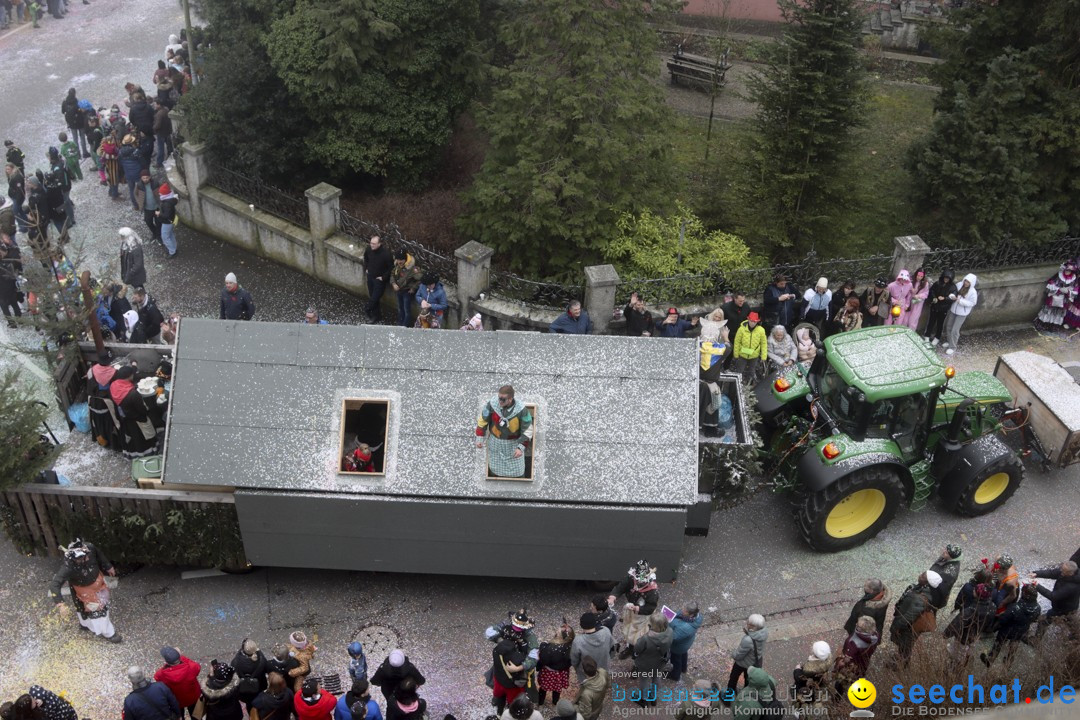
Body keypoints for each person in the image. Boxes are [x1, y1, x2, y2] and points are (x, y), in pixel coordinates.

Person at [48, 537, 121, 643]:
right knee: (96, 610)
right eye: (82, 559)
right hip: (83, 590)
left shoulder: (90, 547)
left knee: (102, 605)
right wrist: (61, 604)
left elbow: (99, 554)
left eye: (87, 556)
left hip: (98, 583)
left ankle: (86, 624)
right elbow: (54, 585)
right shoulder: (68, 567)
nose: (86, 559)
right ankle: (109, 633)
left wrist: (108, 566)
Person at [475, 384, 533, 478]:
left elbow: (527, 429)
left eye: (503, 399)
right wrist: (480, 437)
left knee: (518, 472)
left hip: (513, 444)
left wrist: (521, 447)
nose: (500, 401)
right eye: (499, 398)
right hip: (495, 444)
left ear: (510, 399)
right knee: (494, 471)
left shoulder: (521, 410)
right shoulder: (492, 404)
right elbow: (483, 420)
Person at [608, 559, 660, 659]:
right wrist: (613, 597)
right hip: (632, 610)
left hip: (643, 615)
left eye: (641, 581)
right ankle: (630, 647)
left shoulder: (653, 591)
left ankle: (636, 653)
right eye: (638, 580)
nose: (638, 583)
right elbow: (621, 587)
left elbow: (651, 607)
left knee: (639, 636)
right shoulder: (632, 578)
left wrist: (638, 608)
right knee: (629, 630)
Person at [981, 584, 1041, 667]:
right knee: (1014, 644)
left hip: (1007, 630)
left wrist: (1000, 618)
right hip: (1022, 630)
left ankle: (991, 659)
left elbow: (1003, 619)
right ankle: (1008, 662)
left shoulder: (1015, 607)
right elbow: (1035, 619)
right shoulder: (1038, 608)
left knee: (999, 643)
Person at [889, 571, 938, 664]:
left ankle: (901, 665)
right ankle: (901, 658)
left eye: (923, 576)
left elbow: (909, 617)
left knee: (906, 646)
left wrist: (897, 626)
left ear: (928, 583)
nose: (920, 575)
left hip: (908, 628)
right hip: (907, 625)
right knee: (904, 646)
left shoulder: (920, 599)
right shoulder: (917, 588)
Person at [943, 582, 995, 663]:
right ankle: (966, 657)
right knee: (970, 647)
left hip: (964, 637)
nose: (973, 590)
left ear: (978, 595)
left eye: (975, 590)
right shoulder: (993, 606)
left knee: (958, 654)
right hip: (976, 633)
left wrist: (946, 634)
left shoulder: (970, 611)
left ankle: (955, 667)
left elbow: (956, 624)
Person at [1030, 559, 1080, 640]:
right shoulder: (1066, 573)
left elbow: (1053, 596)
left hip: (1063, 609)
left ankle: (1036, 639)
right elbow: (1052, 573)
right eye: (1061, 569)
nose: (1061, 571)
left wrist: (1037, 586)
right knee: (1070, 623)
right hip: (1067, 606)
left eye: (1063, 571)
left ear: (1071, 573)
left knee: (1044, 621)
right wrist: (1037, 573)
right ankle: (1075, 637)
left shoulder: (1071, 587)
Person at [632, 613, 672, 707]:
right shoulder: (670, 631)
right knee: (656, 678)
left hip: (646, 664)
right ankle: (653, 698)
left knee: (644, 680)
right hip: (660, 662)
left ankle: (644, 700)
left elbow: (637, 649)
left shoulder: (646, 638)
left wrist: (640, 637)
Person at [155, 648, 202, 720]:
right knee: (197, 717)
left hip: (176, 701)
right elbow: (197, 668)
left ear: (166, 661)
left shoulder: (160, 674)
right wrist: (182, 657)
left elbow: (157, 679)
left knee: (179, 716)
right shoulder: (192, 667)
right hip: (193, 697)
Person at [833, 616, 878, 692]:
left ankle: (838, 697)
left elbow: (845, 661)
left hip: (852, 667)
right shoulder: (875, 636)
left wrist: (838, 661)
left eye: (858, 625)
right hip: (864, 663)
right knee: (860, 675)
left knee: (841, 682)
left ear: (862, 630)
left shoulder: (853, 643)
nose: (856, 624)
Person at [726, 614, 766, 694]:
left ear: (753, 627)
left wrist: (732, 653)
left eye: (748, 623)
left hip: (743, 663)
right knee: (748, 680)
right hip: (754, 662)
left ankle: (728, 697)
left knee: (733, 678)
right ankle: (745, 695)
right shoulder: (764, 632)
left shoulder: (748, 640)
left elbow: (738, 655)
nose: (747, 623)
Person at [537, 624, 574, 706]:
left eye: (557, 632)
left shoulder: (550, 648)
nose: (556, 632)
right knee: (557, 689)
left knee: (543, 688)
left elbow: (543, 659)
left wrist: (543, 645)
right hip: (561, 673)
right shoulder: (571, 647)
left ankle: (540, 702)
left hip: (549, 672)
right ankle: (555, 702)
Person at [792, 641, 832, 716]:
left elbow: (800, 679)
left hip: (808, 688)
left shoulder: (809, 669)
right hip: (819, 684)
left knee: (803, 697)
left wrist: (797, 670)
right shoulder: (828, 660)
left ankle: (800, 712)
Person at [570, 613, 612, 683]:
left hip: (586, 671)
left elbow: (574, 660)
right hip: (603, 667)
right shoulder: (606, 631)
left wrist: (576, 667)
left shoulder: (578, 640)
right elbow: (612, 646)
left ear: (581, 625)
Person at [491, 636, 527, 715]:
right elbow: (527, 660)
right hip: (511, 686)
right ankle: (510, 712)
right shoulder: (516, 659)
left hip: (499, 680)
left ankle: (499, 713)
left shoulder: (496, 651)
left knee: (500, 697)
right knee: (512, 701)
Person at [943, 273, 978, 355]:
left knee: (955, 330)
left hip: (962, 313)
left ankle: (953, 347)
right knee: (948, 326)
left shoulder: (972, 292)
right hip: (953, 310)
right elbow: (952, 291)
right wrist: (952, 296)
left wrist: (960, 301)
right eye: (965, 281)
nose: (966, 283)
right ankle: (949, 342)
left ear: (971, 283)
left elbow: (972, 303)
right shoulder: (959, 285)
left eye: (968, 282)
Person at [668, 603, 703, 683]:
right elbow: (679, 614)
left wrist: (668, 623)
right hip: (685, 644)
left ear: (690, 615)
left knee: (676, 660)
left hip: (678, 647)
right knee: (683, 655)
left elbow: (673, 637)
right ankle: (683, 668)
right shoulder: (697, 616)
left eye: (684, 611)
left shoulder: (685, 628)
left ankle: (675, 675)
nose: (682, 611)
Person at [362, 235, 393, 322]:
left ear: (379, 244)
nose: (372, 245)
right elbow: (366, 259)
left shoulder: (386, 254)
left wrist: (383, 278)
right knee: (373, 297)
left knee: (374, 298)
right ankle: (376, 316)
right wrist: (366, 268)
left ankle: (367, 309)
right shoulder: (369, 249)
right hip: (370, 276)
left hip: (379, 280)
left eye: (374, 244)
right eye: (371, 243)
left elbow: (391, 268)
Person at [390, 250, 422, 327]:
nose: (399, 262)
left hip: (407, 292)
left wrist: (413, 288)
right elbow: (392, 275)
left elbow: (420, 279)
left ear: (405, 259)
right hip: (399, 290)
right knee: (400, 308)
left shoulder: (412, 269)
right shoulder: (397, 266)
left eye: (401, 260)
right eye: (398, 260)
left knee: (406, 310)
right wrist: (393, 283)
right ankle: (400, 323)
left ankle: (405, 326)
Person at [731, 312, 766, 382]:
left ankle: (749, 383)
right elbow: (737, 341)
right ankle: (737, 384)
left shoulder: (761, 330)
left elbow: (764, 343)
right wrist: (736, 354)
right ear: (748, 320)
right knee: (739, 370)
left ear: (757, 322)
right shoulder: (741, 329)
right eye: (751, 321)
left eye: (754, 321)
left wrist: (763, 356)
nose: (752, 323)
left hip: (754, 355)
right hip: (742, 354)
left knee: (752, 371)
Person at [232, 638, 268, 706]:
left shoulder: (236, 662)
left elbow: (233, 674)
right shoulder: (261, 660)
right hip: (259, 688)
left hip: (244, 690)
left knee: (249, 703)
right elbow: (266, 669)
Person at [924, 269, 955, 344]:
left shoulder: (953, 287)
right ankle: (927, 335)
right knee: (931, 322)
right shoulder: (937, 283)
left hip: (943, 309)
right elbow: (932, 291)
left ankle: (937, 337)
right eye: (945, 277)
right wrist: (934, 297)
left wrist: (945, 298)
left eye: (948, 278)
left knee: (940, 324)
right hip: (935, 306)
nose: (946, 279)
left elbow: (953, 297)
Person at [929, 544, 963, 614]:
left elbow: (941, 589)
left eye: (947, 552)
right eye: (945, 549)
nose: (944, 551)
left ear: (951, 557)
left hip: (934, 596)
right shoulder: (945, 557)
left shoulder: (950, 573)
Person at [119, 134, 144, 210]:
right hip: (138, 173)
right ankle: (142, 204)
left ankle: (135, 205)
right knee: (141, 188)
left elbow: (120, 163)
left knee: (131, 189)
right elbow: (142, 162)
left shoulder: (120, 152)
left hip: (128, 174)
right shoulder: (136, 151)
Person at [135, 171, 161, 242]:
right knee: (148, 222)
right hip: (147, 209)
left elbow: (160, 192)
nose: (145, 179)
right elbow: (135, 194)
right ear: (141, 178)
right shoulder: (139, 185)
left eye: (147, 178)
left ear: (149, 177)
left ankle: (158, 236)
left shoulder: (155, 183)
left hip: (157, 208)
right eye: (144, 178)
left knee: (158, 222)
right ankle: (155, 233)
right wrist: (140, 202)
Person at [157, 183, 178, 257]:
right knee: (170, 235)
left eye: (161, 193)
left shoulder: (166, 203)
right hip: (171, 221)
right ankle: (174, 248)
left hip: (167, 222)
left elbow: (166, 215)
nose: (159, 194)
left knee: (165, 237)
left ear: (164, 194)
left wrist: (159, 214)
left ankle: (172, 252)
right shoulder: (170, 200)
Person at [905, 267, 930, 332]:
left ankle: (911, 333)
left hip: (917, 303)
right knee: (905, 318)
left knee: (913, 320)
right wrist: (911, 290)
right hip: (909, 302)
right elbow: (906, 289)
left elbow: (926, 294)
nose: (919, 277)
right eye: (918, 275)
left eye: (921, 276)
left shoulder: (925, 284)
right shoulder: (911, 280)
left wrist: (918, 296)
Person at [99, 132, 122, 200]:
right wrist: (114, 156)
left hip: (111, 166)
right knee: (114, 180)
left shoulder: (108, 146)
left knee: (112, 179)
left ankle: (111, 192)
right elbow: (104, 154)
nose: (113, 141)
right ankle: (114, 195)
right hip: (112, 167)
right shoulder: (105, 147)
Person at [153, 100, 173, 168]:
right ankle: (170, 156)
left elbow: (158, 125)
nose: (155, 106)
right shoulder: (166, 109)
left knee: (160, 148)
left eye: (156, 104)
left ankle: (159, 163)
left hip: (161, 133)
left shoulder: (159, 114)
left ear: (159, 105)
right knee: (169, 145)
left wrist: (153, 128)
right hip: (167, 131)